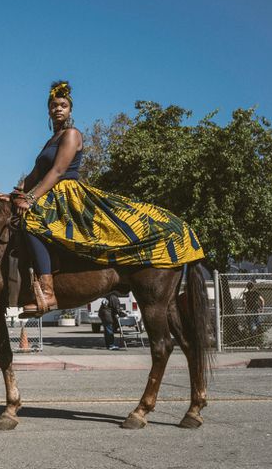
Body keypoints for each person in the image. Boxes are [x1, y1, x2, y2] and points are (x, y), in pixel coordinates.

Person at [11, 81, 205, 316]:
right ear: (48, 110)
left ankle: (47, 291)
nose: (58, 109)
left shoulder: (72, 135)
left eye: (63, 105)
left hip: (67, 193)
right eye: (53, 105)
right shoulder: (48, 142)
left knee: (33, 223)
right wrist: (14, 192)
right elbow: (34, 175)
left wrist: (30, 199)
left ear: (70, 110)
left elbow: (57, 171)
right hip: (49, 191)